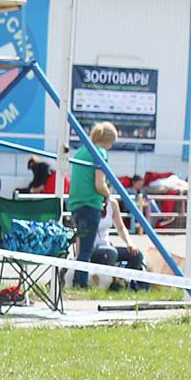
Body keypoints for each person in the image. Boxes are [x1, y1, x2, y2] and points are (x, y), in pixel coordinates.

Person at [68, 121, 117, 288]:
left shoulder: (81, 151)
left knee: (81, 247)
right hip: (90, 204)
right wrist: (108, 195)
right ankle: (81, 284)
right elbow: (99, 184)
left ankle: (77, 280)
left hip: (75, 204)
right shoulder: (100, 152)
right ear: (109, 141)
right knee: (86, 250)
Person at [89, 196, 148, 291]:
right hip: (92, 248)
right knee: (111, 253)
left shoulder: (112, 203)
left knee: (136, 254)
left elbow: (120, 227)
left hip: (107, 246)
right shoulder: (88, 204)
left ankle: (131, 285)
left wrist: (130, 243)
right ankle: (113, 284)